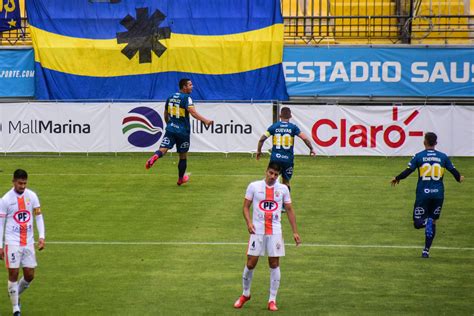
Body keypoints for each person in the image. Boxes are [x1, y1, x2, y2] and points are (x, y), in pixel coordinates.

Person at [234, 162, 301, 311]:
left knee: (274, 264)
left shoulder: (283, 189)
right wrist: (249, 223)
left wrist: (295, 231)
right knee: (250, 264)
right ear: (266, 171)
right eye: (271, 173)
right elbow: (245, 207)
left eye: (276, 175)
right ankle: (245, 294)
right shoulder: (254, 186)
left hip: (275, 232)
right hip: (257, 231)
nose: (273, 177)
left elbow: (289, 209)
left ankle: (272, 299)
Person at [391, 132, 464, 258]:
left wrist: (397, 178)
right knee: (433, 221)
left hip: (423, 195)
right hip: (438, 195)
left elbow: (408, 171)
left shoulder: (419, 156)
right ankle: (426, 250)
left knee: (417, 223)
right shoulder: (443, 157)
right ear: (435, 143)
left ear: (424, 142)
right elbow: (456, 174)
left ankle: (426, 222)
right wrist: (460, 178)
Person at [145, 78, 213, 185]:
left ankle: (156, 156)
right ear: (184, 87)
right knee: (183, 156)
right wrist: (206, 121)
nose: (192, 86)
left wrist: (169, 125)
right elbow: (193, 112)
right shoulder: (187, 98)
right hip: (183, 132)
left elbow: (165, 114)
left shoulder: (170, 97)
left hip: (171, 128)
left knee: (163, 149)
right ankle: (180, 179)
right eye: (190, 85)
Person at [0, 169, 45, 316]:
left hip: (28, 242)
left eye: (25, 183)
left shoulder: (32, 196)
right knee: (13, 273)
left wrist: (42, 236)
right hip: (12, 242)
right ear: (13, 181)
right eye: (20, 183)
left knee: (29, 275)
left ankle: (15, 293)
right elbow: (0, 223)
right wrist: (0, 245)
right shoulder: (6, 199)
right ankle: (16, 308)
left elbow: (38, 216)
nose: (23, 186)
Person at [256, 107, 316, 192]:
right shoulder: (293, 128)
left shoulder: (274, 127)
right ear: (290, 116)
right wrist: (311, 149)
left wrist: (259, 151)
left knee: (270, 180)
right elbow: (305, 139)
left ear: (280, 115)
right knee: (286, 182)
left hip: (275, 158)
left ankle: (271, 201)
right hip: (288, 159)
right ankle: (285, 203)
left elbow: (262, 139)